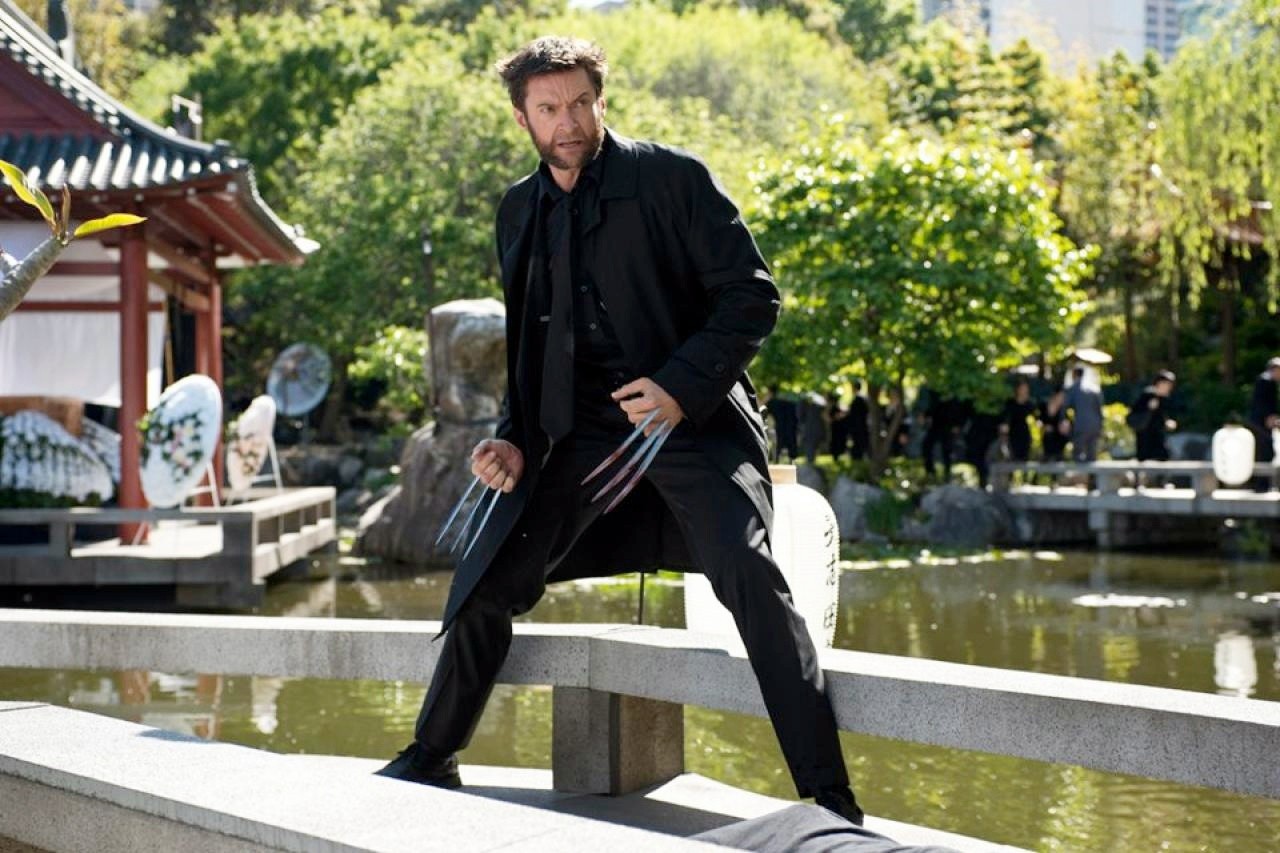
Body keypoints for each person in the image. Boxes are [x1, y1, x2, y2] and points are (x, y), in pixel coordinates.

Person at [375, 37, 863, 825]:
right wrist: (513, 437)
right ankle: (433, 755)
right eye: (548, 108)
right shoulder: (518, 210)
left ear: (601, 100)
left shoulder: (673, 179)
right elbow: (531, 343)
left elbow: (753, 296)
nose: (567, 122)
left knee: (749, 574)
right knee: (485, 576)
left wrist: (677, 387)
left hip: (690, 421)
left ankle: (829, 796)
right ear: (522, 117)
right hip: (577, 435)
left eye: (580, 103)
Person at [1128, 370, 1177, 462]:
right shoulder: (1148, 395)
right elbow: (1137, 415)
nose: (1169, 388)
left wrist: (1166, 422)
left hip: (1156, 443)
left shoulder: (1161, 398)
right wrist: (1149, 409)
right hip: (1147, 444)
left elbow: (1158, 418)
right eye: (1167, 384)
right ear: (1159, 383)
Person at [1247, 357, 1280, 491]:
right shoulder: (1266, 380)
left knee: (1264, 452)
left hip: (1261, 422)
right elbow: (1263, 404)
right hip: (1261, 423)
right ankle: (1261, 485)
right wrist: (1270, 417)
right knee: (1265, 452)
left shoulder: (1266, 380)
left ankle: (1262, 485)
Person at [1063, 366, 1104, 462]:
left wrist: (1064, 420)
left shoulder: (1073, 389)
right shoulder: (1094, 389)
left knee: (1078, 454)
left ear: (1074, 375)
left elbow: (1065, 406)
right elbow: (1099, 409)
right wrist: (1101, 425)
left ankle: (1081, 471)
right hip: (1095, 425)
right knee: (1092, 454)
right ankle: (1091, 471)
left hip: (1080, 425)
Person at [1000, 379, 1037, 463]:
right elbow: (1005, 419)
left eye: (1026, 389)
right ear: (1018, 390)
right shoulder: (1010, 403)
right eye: (1022, 389)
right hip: (1012, 435)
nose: (1024, 391)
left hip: (1025, 434)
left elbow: (1035, 418)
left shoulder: (1030, 405)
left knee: (1025, 457)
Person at [1039, 386, 1070, 463]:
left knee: (1064, 432)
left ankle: (1059, 455)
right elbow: (1039, 420)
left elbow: (1067, 421)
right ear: (1055, 395)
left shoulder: (1063, 409)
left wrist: (1066, 425)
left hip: (1058, 436)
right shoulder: (1044, 405)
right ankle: (1047, 456)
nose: (1062, 399)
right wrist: (1043, 426)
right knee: (1048, 432)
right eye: (1060, 396)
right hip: (1047, 435)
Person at [846, 381, 871, 461]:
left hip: (858, 427)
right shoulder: (862, 399)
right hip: (860, 427)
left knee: (859, 445)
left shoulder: (859, 399)